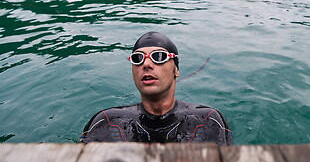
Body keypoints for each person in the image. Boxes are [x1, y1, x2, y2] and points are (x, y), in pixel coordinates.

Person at [80, 32, 233, 146]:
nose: (146, 64)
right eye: (137, 58)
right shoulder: (106, 122)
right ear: (133, 73)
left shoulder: (208, 120)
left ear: (176, 70)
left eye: (159, 56)